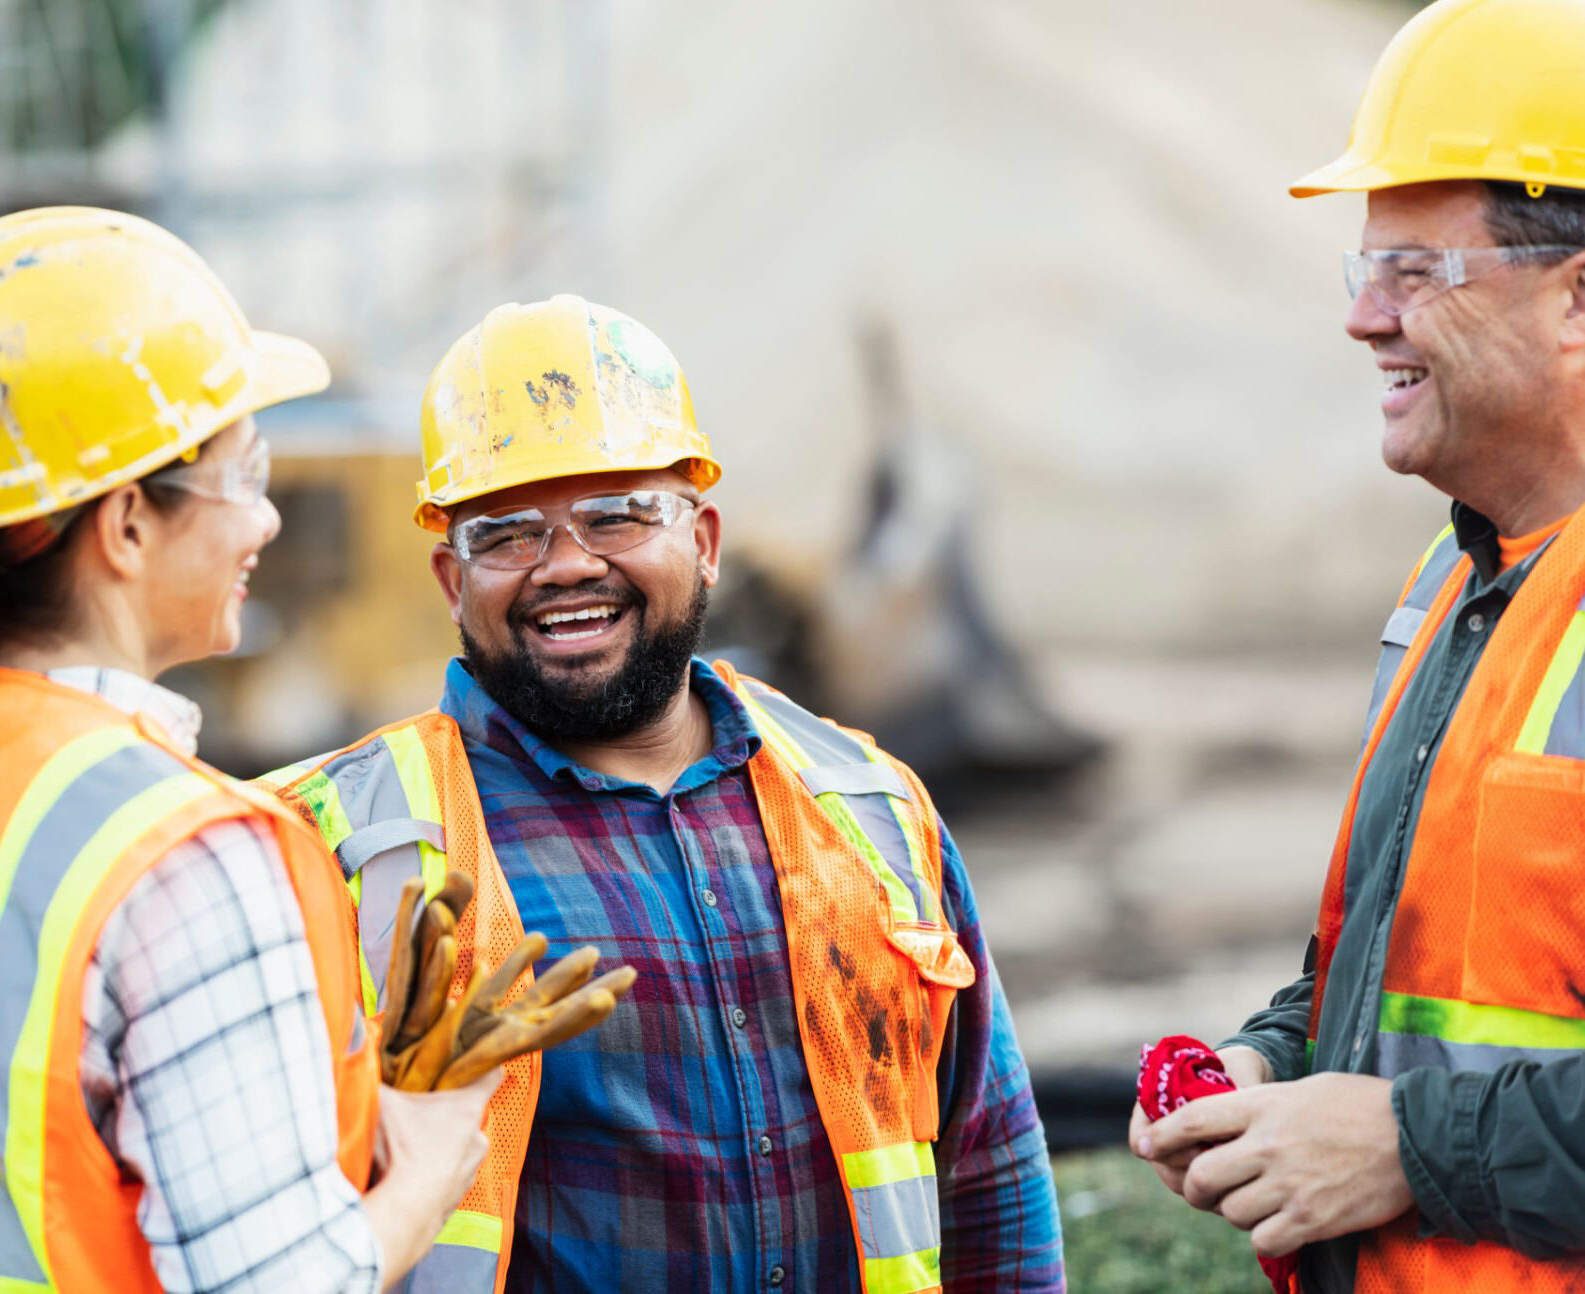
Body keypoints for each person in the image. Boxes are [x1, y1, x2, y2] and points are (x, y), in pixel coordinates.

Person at [0, 206, 496, 1293]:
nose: (266, 522)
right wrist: (423, 1178)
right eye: (246, 475)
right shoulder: (187, 854)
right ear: (127, 522)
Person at [260, 294, 1064, 1292]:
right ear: (447, 580)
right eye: (506, 534)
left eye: (617, 514)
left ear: (706, 539)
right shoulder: (326, 848)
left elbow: (985, 1166)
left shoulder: (869, 803)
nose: (567, 566)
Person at [1132, 0, 1585, 1287]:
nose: (1360, 319)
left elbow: (1421, 1106)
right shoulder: (1458, 576)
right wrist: (1274, 1061)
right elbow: (1417, 979)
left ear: (1577, 299)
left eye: (1413, 273)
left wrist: (1403, 1143)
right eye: (1360, 269)